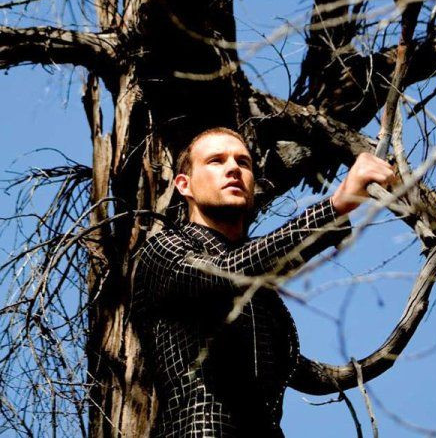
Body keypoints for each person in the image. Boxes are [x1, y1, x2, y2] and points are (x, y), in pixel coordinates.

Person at [133, 127, 395, 438]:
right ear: (184, 185)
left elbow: (294, 369)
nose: (233, 168)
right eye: (216, 160)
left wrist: (391, 347)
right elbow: (226, 271)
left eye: (243, 162)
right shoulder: (163, 251)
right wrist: (335, 206)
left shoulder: (263, 295)